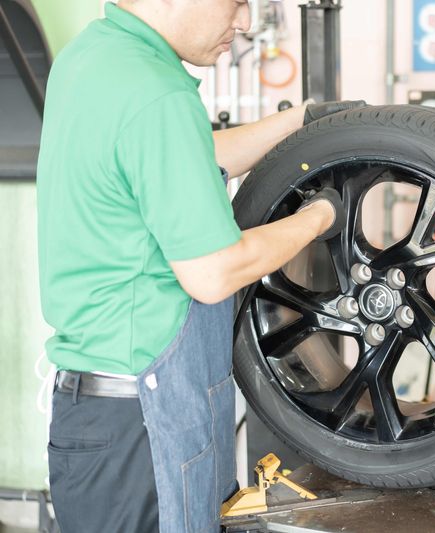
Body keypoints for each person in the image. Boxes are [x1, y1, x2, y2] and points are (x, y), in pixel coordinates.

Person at [36, 1, 364, 531]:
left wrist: (301, 121)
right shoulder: (155, 91)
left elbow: (182, 157)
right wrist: (321, 216)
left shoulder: (94, 57)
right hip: (146, 427)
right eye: (236, 2)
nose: (245, 21)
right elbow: (212, 273)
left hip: (100, 420)